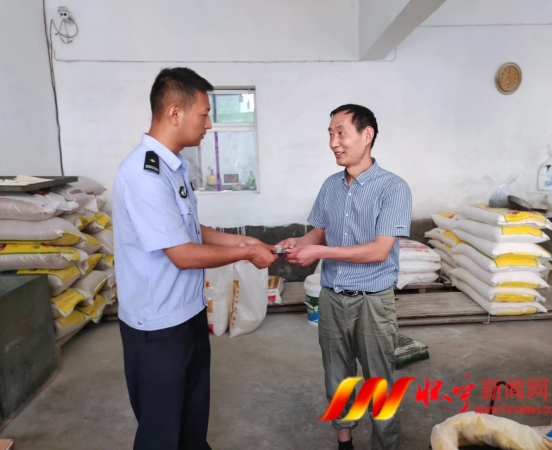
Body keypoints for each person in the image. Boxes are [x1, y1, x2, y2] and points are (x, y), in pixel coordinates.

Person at [113, 67, 278, 450]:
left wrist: (243, 240)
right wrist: (246, 253)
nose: (209, 124)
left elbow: (189, 230)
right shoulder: (144, 176)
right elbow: (184, 254)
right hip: (156, 328)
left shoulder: (172, 167)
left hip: (186, 314)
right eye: (204, 114)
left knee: (191, 420)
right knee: (161, 432)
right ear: (175, 113)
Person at [279, 104, 412, 450]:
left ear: (367, 135)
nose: (333, 142)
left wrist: (319, 252)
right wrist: (300, 243)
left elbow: (379, 250)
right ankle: (345, 443)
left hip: (373, 303)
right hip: (333, 298)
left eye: (341, 133)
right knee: (337, 379)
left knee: (379, 386)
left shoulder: (393, 188)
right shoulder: (330, 186)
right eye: (330, 134)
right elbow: (318, 232)